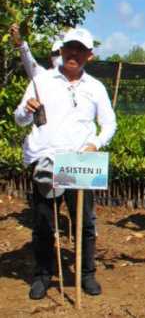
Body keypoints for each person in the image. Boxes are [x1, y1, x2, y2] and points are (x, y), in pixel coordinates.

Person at [14, 27, 117, 300]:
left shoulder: (96, 87)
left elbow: (109, 123)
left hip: (79, 163)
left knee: (85, 222)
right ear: (61, 50)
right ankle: (43, 275)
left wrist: (95, 144)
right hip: (47, 161)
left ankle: (86, 274)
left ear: (89, 55)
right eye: (70, 47)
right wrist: (26, 109)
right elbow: (19, 119)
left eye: (80, 49)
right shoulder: (41, 80)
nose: (74, 54)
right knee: (44, 223)